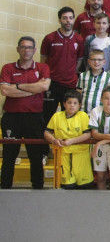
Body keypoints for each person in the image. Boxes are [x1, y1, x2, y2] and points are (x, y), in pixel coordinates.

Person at [0, 37, 51, 189]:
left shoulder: (42, 67)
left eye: (29, 47)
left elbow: (44, 87)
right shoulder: (8, 68)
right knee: (9, 155)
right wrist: (33, 89)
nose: (26, 50)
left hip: (34, 117)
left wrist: (17, 86)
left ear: (34, 50)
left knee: (35, 154)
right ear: (18, 49)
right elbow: (4, 90)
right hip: (11, 117)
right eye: (23, 47)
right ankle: (5, 187)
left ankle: (38, 186)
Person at [41, 7, 85, 123]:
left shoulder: (79, 39)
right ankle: (46, 139)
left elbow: (79, 60)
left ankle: (68, 139)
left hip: (70, 84)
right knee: (47, 114)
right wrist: (46, 78)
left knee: (69, 114)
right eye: (65, 18)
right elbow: (43, 60)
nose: (68, 21)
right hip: (53, 83)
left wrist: (70, 73)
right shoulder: (49, 38)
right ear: (59, 20)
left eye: (71, 18)